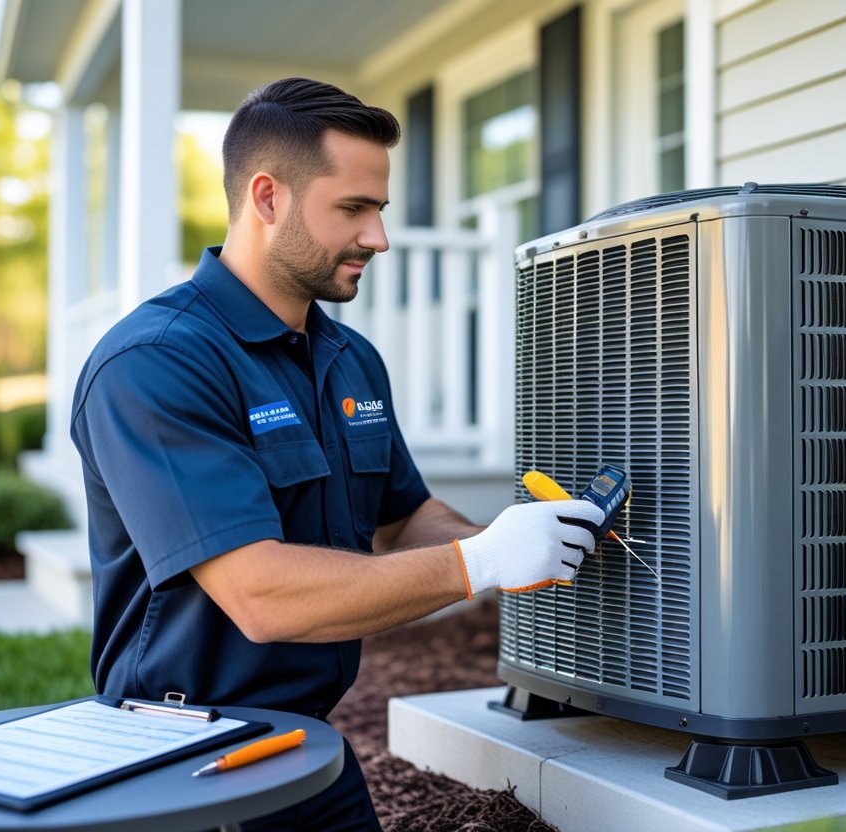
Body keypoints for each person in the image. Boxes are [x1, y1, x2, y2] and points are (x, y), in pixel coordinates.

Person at [69, 77, 603, 831]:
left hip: (309, 747)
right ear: (267, 197)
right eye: (352, 209)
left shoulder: (350, 359)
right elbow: (261, 595)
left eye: (378, 211)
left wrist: (520, 541)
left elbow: (403, 515)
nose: (378, 238)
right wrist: (476, 566)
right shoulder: (156, 364)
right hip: (180, 766)